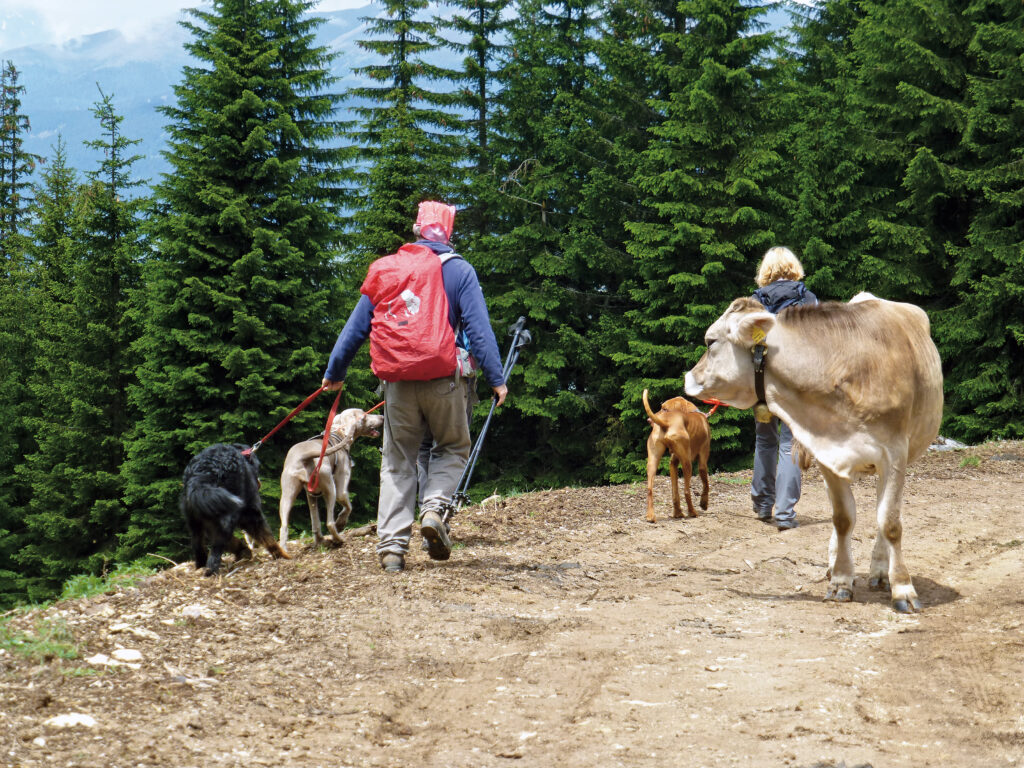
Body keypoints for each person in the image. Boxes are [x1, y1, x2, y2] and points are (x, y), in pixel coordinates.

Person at [321, 201, 507, 573]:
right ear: (449, 232)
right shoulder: (460, 271)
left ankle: (392, 549)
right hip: (446, 379)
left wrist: (335, 371)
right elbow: (478, 329)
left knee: (397, 461)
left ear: (416, 229)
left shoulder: (392, 269)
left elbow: (357, 326)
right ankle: (435, 509)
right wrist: (496, 378)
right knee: (452, 446)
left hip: (398, 382)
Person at [750, 246, 817, 530]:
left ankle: (764, 506)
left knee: (765, 440)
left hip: (763, 384)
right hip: (795, 385)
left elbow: (751, 343)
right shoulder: (808, 299)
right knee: (791, 443)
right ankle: (785, 514)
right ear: (793, 268)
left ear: (765, 270)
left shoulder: (755, 302)